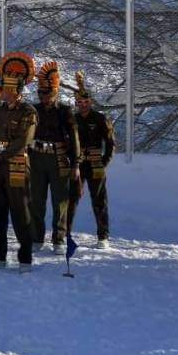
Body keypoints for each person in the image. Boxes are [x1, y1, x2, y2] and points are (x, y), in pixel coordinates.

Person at [0, 52, 38, 272]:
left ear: (16, 91)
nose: (3, 93)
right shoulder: (0, 111)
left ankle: (24, 258)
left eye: (7, 89)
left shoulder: (28, 111)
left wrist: (1, 156)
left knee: (20, 213)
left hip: (16, 165)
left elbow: (23, 140)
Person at [30, 61, 81, 255]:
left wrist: (76, 163)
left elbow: (74, 138)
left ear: (56, 92)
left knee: (60, 201)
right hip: (36, 158)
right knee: (36, 199)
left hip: (59, 159)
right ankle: (36, 236)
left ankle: (58, 238)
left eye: (48, 93)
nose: (44, 97)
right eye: (41, 93)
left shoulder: (64, 111)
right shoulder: (33, 110)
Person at [68, 71, 115, 249]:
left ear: (91, 102)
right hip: (78, 164)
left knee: (99, 199)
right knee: (71, 198)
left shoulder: (100, 119)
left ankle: (103, 236)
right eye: (79, 103)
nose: (83, 105)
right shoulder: (73, 119)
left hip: (96, 163)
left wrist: (105, 161)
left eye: (86, 102)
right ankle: (66, 234)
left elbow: (110, 142)